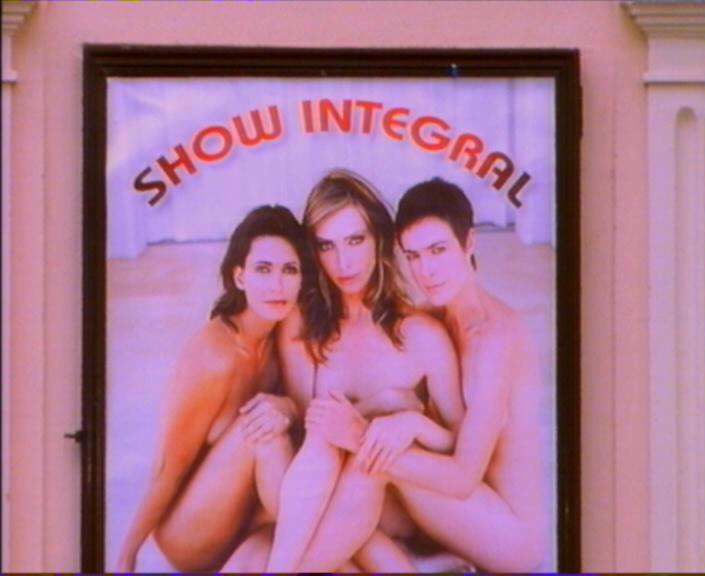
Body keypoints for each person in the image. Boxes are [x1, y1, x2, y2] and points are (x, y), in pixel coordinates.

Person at [297, 177, 549, 572]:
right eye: (413, 256)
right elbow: (445, 437)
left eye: (438, 250)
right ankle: (414, 562)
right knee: (363, 465)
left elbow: (464, 477)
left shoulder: (495, 340)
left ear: (469, 243)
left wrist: (362, 434)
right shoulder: (434, 316)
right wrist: (400, 412)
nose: (426, 270)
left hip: (509, 535)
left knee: (372, 460)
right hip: (453, 510)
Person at [252, 169, 466, 573]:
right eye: (327, 246)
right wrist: (379, 404)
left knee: (362, 455)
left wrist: (411, 423)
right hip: (322, 498)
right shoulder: (302, 325)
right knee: (318, 431)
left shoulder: (422, 334)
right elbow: (308, 432)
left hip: (394, 502)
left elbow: (459, 445)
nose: (343, 262)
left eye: (355, 240)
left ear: (379, 238)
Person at [116, 205, 314, 572]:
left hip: (243, 517)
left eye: (289, 270)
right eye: (263, 269)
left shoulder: (281, 339)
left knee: (278, 428)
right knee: (262, 430)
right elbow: (168, 466)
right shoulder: (214, 355)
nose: (277, 285)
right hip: (190, 533)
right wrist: (127, 554)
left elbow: (305, 411)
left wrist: (287, 406)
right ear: (239, 277)